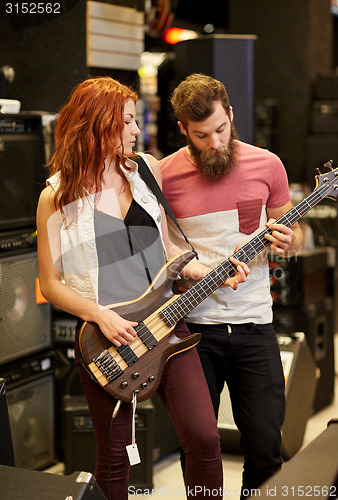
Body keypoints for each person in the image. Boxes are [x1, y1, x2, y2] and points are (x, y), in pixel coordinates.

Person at [36, 76, 250, 500]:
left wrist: (208, 269)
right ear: (98, 124)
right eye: (129, 122)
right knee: (114, 460)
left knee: (205, 439)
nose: (137, 131)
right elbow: (50, 283)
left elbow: (167, 250)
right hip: (107, 340)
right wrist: (99, 315)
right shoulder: (56, 197)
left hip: (168, 326)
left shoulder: (145, 171)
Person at [160, 73, 304, 498]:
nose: (216, 142)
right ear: (183, 129)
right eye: (202, 135)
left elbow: (294, 238)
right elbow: (161, 253)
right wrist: (192, 269)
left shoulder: (267, 164)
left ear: (232, 116)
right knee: (200, 447)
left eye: (222, 129)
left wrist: (288, 242)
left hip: (255, 323)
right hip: (192, 332)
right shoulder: (163, 177)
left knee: (265, 444)